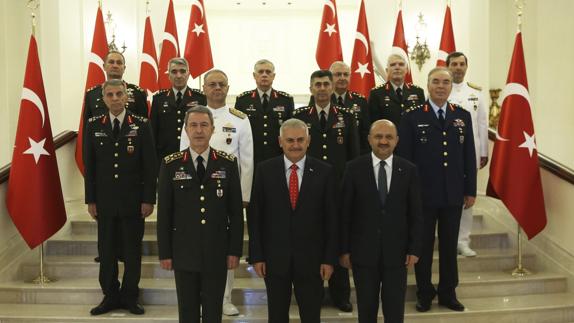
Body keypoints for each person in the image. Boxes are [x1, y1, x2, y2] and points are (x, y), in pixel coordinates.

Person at [397, 67, 477, 312]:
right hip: (423, 194)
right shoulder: (411, 117)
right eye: (436, 82)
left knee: (449, 245)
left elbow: (468, 156)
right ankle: (424, 292)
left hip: (452, 193)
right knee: (422, 245)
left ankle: (448, 292)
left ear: (451, 86)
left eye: (445, 82)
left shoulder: (461, 116)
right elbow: (405, 159)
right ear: (428, 86)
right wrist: (407, 193)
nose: (441, 86)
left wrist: (470, 189)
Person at [157, 106, 244, 323]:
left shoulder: (228, 163)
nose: (198, 131)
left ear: (213, 129)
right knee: (187, 311)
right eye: (193, 125)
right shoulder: (170, 165)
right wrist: (165, 253)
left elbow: (235, 213)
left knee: (214, 311)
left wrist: (234, 250)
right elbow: (165, 215)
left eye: (204, 125)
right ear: (185, 130)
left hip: (217, 251)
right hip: (184, 251)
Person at [248, 118, 338, 323]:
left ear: (308, 141)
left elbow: (332, 219)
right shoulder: (264, 170)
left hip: (313, 261)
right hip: (274, 260)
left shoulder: (325, 171)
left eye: (300, 140)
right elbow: (256, 216)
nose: (295, 145)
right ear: (280, 141)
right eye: (290, 140)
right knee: (277, 316)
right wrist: (257, 256)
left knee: (311, 315)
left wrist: (329, 259)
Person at [180, 69, 254, 316]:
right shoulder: (192, 116)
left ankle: (224, 298)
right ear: (204, 88)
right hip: (195, 193)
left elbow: (247, 161)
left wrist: (243, 196)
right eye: (212, 84)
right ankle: (196, 299)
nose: (217, 88)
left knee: (225, 247)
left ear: (228, 87)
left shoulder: (240, 119)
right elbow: (183, 157)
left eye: (221, 84)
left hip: (225, 194)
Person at [83, 79, 157, 315]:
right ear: (103, 99)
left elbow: (149, 166)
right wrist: (90, 200)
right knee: (106, 251)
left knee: (132, 251)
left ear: (127, 97)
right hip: (104, 202)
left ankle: (129, 296)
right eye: (110, 95)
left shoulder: (142, 125)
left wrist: (148, 199)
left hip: (133, 201)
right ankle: (110, 295)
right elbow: (90, 167)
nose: (115, 99)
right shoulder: (94, 125)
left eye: (119, 94)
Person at [340, 119, 423, 323]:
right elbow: (344, 214)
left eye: (388, 137)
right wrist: (343, 250)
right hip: (363, 254)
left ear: (397, 141)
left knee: (394, 311)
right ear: (369, 140)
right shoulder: (353, 168)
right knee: (366, 311)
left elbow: (416, 213)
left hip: (397, 254)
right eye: (378, 136)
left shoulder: (409, 170)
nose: (383, 141)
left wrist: (414, 248)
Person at [293, 69, 359, 312]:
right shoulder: (300, 116)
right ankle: (314, 293)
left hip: (339, 189)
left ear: (332, 88)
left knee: (339, 240)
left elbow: (354, 155)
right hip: (308, 189)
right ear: (311, 88)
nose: (321, 88)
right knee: (312, 240)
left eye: (325, 84)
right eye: (317, 84)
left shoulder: (346, 116)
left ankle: (340, 294)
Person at [447, 51, 489, 257]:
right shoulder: (440, 90)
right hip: (446, 156)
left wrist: (482, 153)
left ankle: (463, 240)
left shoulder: (476, 94)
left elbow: (482, 125)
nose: (458, 67)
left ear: (466, 67)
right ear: (448, 67)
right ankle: (446, 238)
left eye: (461, 64)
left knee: (468, 198)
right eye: (454, 64)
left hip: (468, 155)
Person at [234, 59, 295, 165]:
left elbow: (290, 130)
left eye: (268, 72)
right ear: (254, 75)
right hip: (251, 156)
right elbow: (238, 130)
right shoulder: (243, 100)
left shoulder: (286, 100)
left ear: (273, 76)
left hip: (277, 156)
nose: (264, 75)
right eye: (261, 72)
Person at [150, 57, 206, 161]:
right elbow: (153, 133)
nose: (178, 75)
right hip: (166, 157)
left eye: (182, 71)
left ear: (188, 74)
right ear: (169, 76)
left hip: (193, 156)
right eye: (174, 72)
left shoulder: (200, 98)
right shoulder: (159, 99)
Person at [309, 61, 370, 153]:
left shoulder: (360, 100)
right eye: (338, 74)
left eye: (346, 74)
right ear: (330, 79)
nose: (342, 78)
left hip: (352, 151)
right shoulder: (319, 98)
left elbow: (365, 131)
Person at [83, 51, 148, 125]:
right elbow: (87, 128)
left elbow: (144, 125)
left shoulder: (138, 93)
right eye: (111, 62)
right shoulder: (92, 95)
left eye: (119, 63)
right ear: (104, 66)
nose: (115, 65)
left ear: (124, 68)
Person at [368, 54, 425, 127]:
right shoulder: (376, 93)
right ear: (387, 70)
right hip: (388, 137)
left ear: (406, 70)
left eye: (401, 64)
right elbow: (373, 124)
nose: (397, 67)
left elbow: (422, 120)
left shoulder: (418, 92)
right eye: (393, 65)